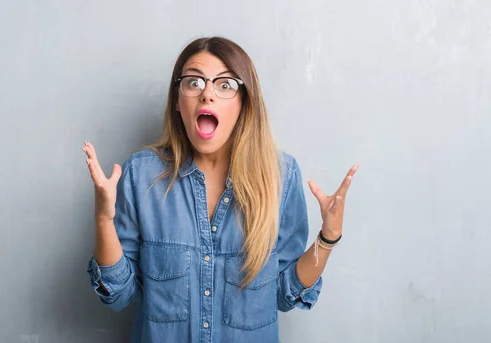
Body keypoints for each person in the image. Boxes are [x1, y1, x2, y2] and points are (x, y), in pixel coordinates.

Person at [82, 36, 358, 343]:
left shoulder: (281, 177)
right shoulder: (142, 174)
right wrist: (103, 221)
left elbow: (284, 294)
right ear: (177, 100)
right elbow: (118, 294)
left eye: (224, 85)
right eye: (194, 83)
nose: (207, 95)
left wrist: (328, 238)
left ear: (243, 102)